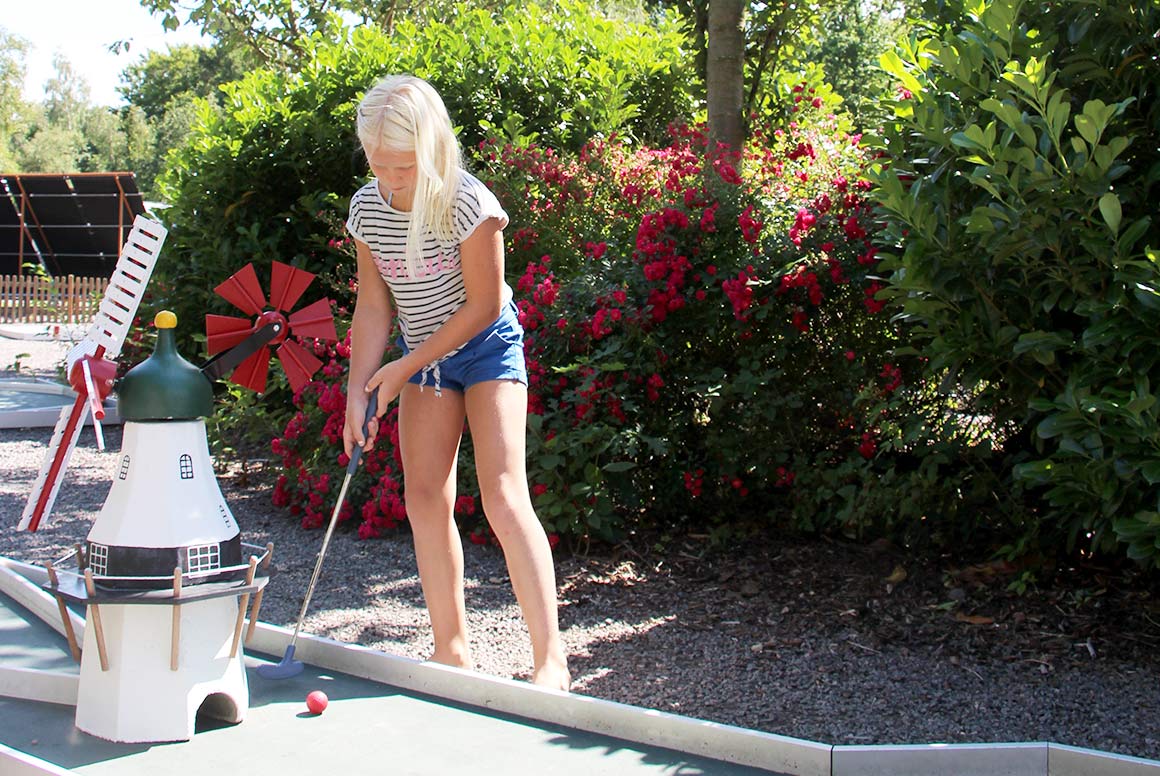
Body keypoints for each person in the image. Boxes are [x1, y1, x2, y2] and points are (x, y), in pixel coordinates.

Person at [342, 74, 571, 691]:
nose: (392, 179)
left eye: (405, 165)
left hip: (487, 347)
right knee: (424, 497)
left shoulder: (469, 203)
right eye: (379, 165)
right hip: (423, 356)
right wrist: (357, 389)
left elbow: (485, 305)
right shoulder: (367, 210)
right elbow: (372, 306)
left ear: (434, 146)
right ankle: (451, 650)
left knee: (501, 492)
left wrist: (403, 368)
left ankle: (551, 661)